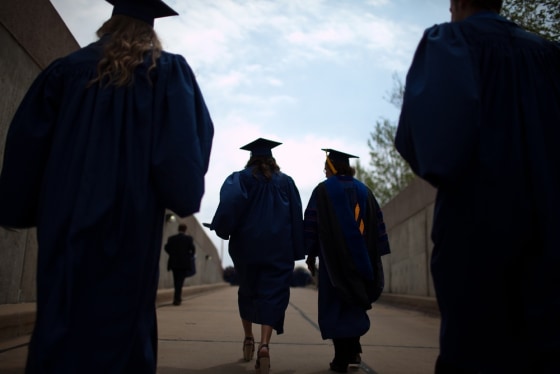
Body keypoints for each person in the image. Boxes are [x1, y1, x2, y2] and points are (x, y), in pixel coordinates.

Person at [0, 0, 214, 372]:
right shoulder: (167, 73)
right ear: (151, 30)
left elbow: (26, 146)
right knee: (124, 323)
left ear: (109, 24)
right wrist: (181, 194)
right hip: (132, 218)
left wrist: (21, 206)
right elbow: (182, 149)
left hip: (65, 217)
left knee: (60, 315)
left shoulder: (65, 72)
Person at [395, 0, 560, 373]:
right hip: (551, 224)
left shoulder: (450, 42)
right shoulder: (547, 53)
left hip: (476, 226)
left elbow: (424, 144)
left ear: (457, 3)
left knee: (473, 352)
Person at [209, 138, 305, 374]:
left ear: (251, 158)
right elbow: (295, 217)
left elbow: (230, 203)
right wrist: (297, 250)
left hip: (247, 248)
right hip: (278, 249)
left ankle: (248, 338)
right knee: (273, 295)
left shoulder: (240, 179)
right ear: (273, 160)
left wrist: (222, 228)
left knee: (248, 291)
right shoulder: (287, 182)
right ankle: (264, 345)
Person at [304, 149, 390, 373]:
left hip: (333, 263)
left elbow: (311, 225)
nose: (324, 171)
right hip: (363, 261)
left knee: (336, 307)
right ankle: (354, 349)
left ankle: (341, 357)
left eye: (326, 167)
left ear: (332, 167)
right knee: (354, 304)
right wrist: (374, 256)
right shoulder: (365, 191)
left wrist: (310, 254)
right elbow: (377, 225)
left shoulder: (322, 191)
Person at [165, 223, 196, 306]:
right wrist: (188, 257)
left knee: (176, 281)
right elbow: (193, 250)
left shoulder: (171, 238)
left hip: (174, 263)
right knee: (180, 282)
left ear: (178, 229)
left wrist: (172, 254)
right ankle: (177, 298)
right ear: (185, 230)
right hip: (184, 264)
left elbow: (166, 248)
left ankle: (177, 298)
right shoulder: (188, 239)